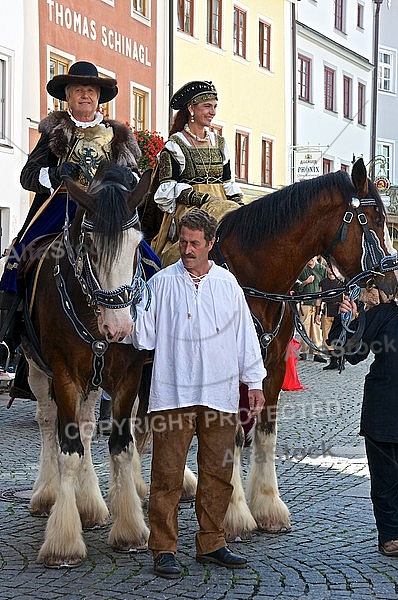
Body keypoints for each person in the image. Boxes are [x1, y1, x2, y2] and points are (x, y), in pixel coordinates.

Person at [132, 208, 266, 579]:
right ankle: (164, 548)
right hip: (173, 396)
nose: (187, 249)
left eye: (194, 243)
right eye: (183, 242)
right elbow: (144, 336)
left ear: (210, 244)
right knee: (167, 476)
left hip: (220, 397)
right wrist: (122, 321)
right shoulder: (161, 283)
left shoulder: (228, 285)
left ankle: (211, 543)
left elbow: (245, 339)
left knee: (218, 474)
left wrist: (254, 384)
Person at [0, 61, 143, 400]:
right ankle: (9, 335)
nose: (85, 95)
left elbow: (135, 176)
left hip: (106, 213)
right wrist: (54, 171)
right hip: (61, 205)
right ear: (67, 95)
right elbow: (27, 176)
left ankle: (148, 335)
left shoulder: (117, 135)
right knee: (19, 257)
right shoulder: (54, 132)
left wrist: (120, 185)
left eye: (91, 90)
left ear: (99, 98)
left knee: (147, 258)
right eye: (78, 89)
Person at [331, 294, 398, 556]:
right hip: (385, 410)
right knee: (386, 479)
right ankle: (391, 535)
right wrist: (346, 319)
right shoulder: (383, 315)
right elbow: (350, 352)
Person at [150, 80, 243, 266]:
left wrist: (240, 205)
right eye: (207, 106)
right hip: (189, 208)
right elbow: (168, 188)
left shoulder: (220, 143)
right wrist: (205, 200)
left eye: (215, 107)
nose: (213, 112)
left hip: (222, 203)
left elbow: (227, 182)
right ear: (191, 108)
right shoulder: (175, 145)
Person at [296, 256, 327, 362]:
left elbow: (325, 285)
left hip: (318, 304)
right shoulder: (302, 270)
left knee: (317, 329)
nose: (310, 259)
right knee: (304, 327)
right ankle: (303, 352)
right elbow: (296, 288)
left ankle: (317, 352)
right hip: (305, 303)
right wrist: (305, 282)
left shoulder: (322, 269)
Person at [316, 266, 345, 370]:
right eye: (329, 267)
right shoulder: (323, 282)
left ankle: (340, 358)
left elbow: (346, 298)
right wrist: (317, 314)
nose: (331, 269)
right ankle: (333, 360)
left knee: (340, 336)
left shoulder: (342, 282)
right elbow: (319, 298)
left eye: (333, 267)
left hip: (339, 312)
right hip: (327, 311)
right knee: (327, 337)